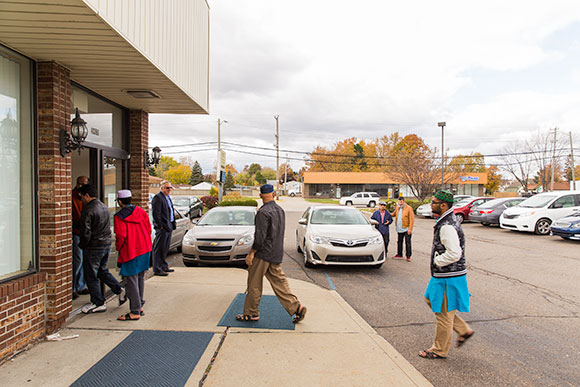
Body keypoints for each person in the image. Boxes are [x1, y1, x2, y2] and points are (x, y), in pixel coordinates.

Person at [236, 184, 307, 323]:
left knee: (254, 284)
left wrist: (251, 253)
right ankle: (296, 307)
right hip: (276, 253)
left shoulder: (263, 212)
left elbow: (260, 237)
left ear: (260, 195)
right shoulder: (280, 210)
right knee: (280, 283)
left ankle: (251, 313)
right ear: (274, 195)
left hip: (262, 254)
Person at [419, 190, 474, 359]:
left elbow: (454, 253)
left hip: (447, 277)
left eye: (434, 202)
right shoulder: (447, 220)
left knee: (443, 315)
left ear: (443, 205)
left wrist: (438, 261)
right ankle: (464, 330)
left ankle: (438, 350)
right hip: (445, 276)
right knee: (430, 299)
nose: (431, 204)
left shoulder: (447, 226)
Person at [78, 184, 124, 314]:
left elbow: (86, 232)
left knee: (91, 275)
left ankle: (98, 302)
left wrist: (83, 245)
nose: (81, 199)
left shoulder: (88, 210)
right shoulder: (103, 207)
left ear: (87, 195)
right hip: (106, 244)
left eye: (82, 197)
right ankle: (118, 289)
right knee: (102, 271)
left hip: (93, 246)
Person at [113, 190, 152, 321]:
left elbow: (121, 236)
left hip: (131, 251)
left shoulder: (119, 217)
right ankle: (139, 305)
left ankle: (135, 311)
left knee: (131, 280)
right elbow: (148, 229)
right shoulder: (141, 211)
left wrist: (118, 248)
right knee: (140, 277)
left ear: (119, 201)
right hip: (145, 248)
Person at [151, 180, 176, 276]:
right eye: (167, 188)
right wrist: (160, 225)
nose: (169, 189)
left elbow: (171, 211)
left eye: (170, 187)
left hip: (169, 226)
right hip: (162, 228)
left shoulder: (168, 198)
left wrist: (173, 223)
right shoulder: (157, 198)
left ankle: (163, 266)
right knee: (159, 249)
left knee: (165, 248)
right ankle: (157, 269)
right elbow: (156, 214)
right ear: (161, 188)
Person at [72, 175, 89, 299]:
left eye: (84, 184)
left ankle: (81, 286)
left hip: (85, 233)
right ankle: (72, 287)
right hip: (76, 232)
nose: (81, 186)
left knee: (84, 260)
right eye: (79, 184)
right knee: (77, 260)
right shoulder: (71, 196)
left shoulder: (87, 198)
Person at [392, 196, 414, 261]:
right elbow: (393, 214)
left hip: (406, 228)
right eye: (399, 201)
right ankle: (399, 254)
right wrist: (385, 213)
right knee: (399, 242)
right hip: (399, 228)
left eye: (401, 201)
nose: (400, 203)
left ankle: (408, 256)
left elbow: (411, 219)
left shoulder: (409, 208)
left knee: (408, 243)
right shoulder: (397, 208)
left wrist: (410, 229)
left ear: (404, 201)